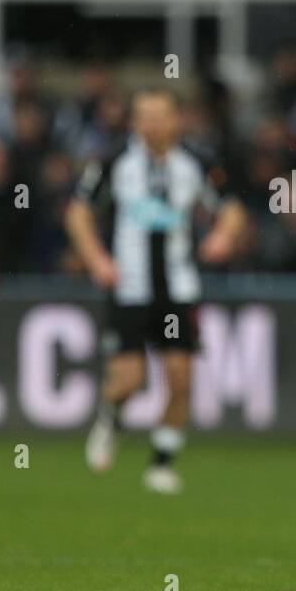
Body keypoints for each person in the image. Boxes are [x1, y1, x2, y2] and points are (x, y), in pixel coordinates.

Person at [65, 88, 245, 494]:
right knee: (129, 379)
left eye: (160, 115)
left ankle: (161, 463)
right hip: (130, 286)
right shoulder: (114, 161)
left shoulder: (197, 162)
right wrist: (96, 260)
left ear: (176, 120)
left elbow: (232, 208)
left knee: (180, 379)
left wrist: (222, 236)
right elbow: (77, 211)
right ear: (134, 121)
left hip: (178, 288)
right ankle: (110, 417)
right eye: (144, 116)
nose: (152, 124)